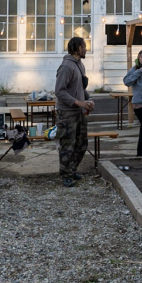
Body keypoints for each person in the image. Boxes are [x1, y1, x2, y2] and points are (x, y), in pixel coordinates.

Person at [54, 36, 94, 187]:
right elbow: (59, 91)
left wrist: (89, 100)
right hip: (67, 113)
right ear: (78, 48)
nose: (86, 49)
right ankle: (66, 174)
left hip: (79, 112)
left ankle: (72, 169)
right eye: (84, 46)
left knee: (82, 143)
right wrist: (78, 103)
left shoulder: (80, 65)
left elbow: (81, 89)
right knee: (68, 145)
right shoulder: (66, 66)